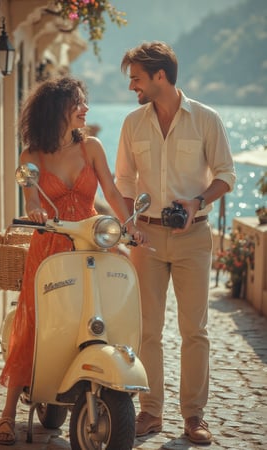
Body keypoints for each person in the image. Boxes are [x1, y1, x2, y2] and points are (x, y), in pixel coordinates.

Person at [0, 76, 144, 445]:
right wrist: (35, 213)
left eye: (84, 101)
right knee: (35, 325)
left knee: (98, 316)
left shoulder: (90, 146)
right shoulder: (32, 156)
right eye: (77, 102)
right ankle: (8, 414)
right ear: (56, 108)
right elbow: (30, 198)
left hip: (91, 243)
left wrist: (129, 225)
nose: (85, 108)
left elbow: (109, 188)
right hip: (52, 245)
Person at [115, 41, 236, 445]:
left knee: (194, 330)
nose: (132, 86)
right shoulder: (132, 123)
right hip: (145, 237)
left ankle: (194, 416)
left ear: (159, 76)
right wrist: (131, 224)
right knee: (147, 329)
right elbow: (124, 183)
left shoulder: (206, 119)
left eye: (136, 78)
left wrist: (197, 201)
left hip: (194, 236)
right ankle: (150, 411)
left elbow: (225, 174)